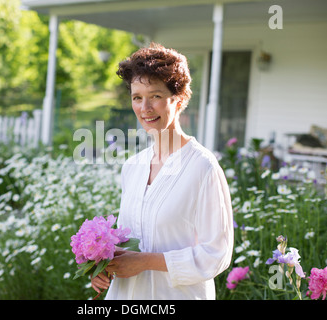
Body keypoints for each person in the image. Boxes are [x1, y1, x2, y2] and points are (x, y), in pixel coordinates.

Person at [91, 43, 234, 300]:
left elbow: (217, 253)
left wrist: (146, 262)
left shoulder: (203, 167)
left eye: (155, 96)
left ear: (178, 100)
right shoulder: (132, 167)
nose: (145, 108)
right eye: (137, 97)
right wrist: (102, 264)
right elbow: (129, 238)